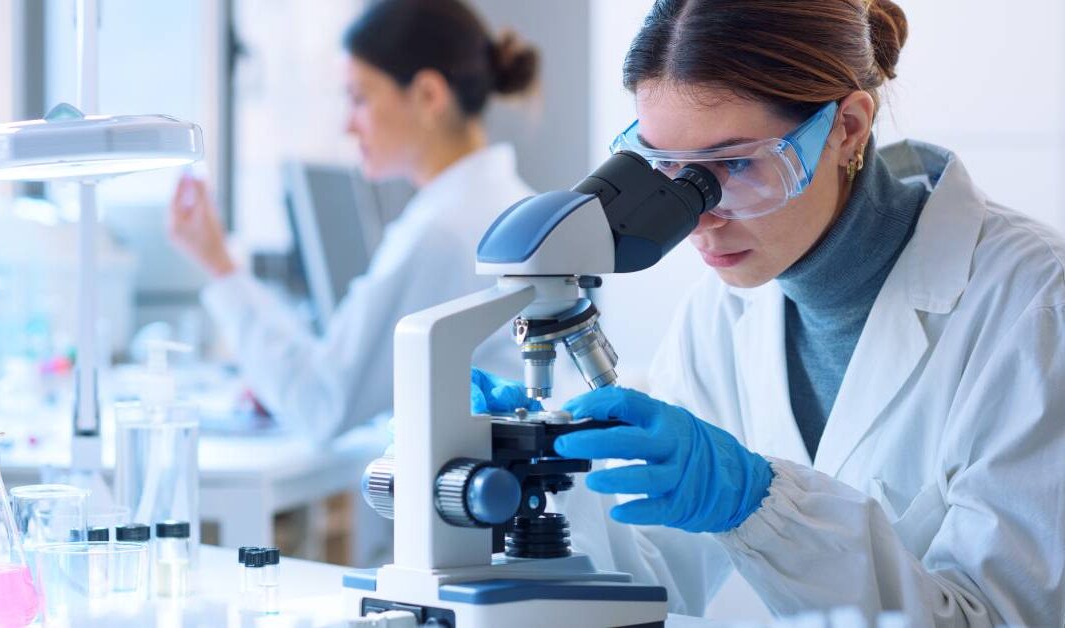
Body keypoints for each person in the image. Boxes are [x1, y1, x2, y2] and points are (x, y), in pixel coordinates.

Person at [471, 0, 1065, 624]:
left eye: (733, 164)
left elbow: (1000, 617)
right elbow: (655, 575)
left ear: (850, 128)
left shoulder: (1033, 307)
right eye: (665, 171)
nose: (698, 218)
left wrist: (760, 504)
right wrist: (536, 488)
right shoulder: (722, 313)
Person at [169, 0, 540, 442]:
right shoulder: (506, 204)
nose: (348, 125)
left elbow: (320, 403)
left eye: (360, 98)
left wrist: (220, 267)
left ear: (428, 95)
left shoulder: (444, 231)